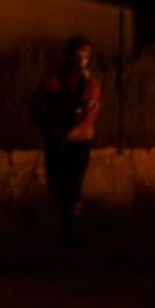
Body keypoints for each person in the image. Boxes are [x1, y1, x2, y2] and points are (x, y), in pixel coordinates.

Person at [29, 36, 101, 244]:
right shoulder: (54, 79)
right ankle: (68, 226)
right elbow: (38, 105)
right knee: (56, 184)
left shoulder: (90, 84)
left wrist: (64, 125)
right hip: (56, 140)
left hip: (78, 141)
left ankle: (72, 232)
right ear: (68, 56)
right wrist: (48, 125)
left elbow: (86, 112)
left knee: (73, 185)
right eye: (77, 54)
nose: (81, 59)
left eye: (85, 55)